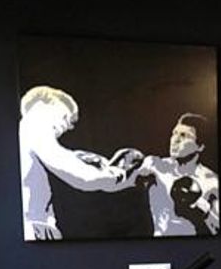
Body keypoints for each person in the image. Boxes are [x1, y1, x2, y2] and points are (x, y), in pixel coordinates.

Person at [18, 85, 138, 241]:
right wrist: (118, 173)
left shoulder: (24, 135)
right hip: (37, 231)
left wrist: (80, 158)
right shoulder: (34, 126)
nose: (68, 126)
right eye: (65, 116)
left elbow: (59, 156)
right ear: (45, 105)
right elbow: (82, 176)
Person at [135, 113, 219, 237]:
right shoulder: (155, 166)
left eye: (184, 136)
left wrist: (205, 212)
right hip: (156, 245)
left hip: (193, 247)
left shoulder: (212, 182)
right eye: (174, 133)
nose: (175, 140)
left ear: (200, 146)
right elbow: (115, 183)